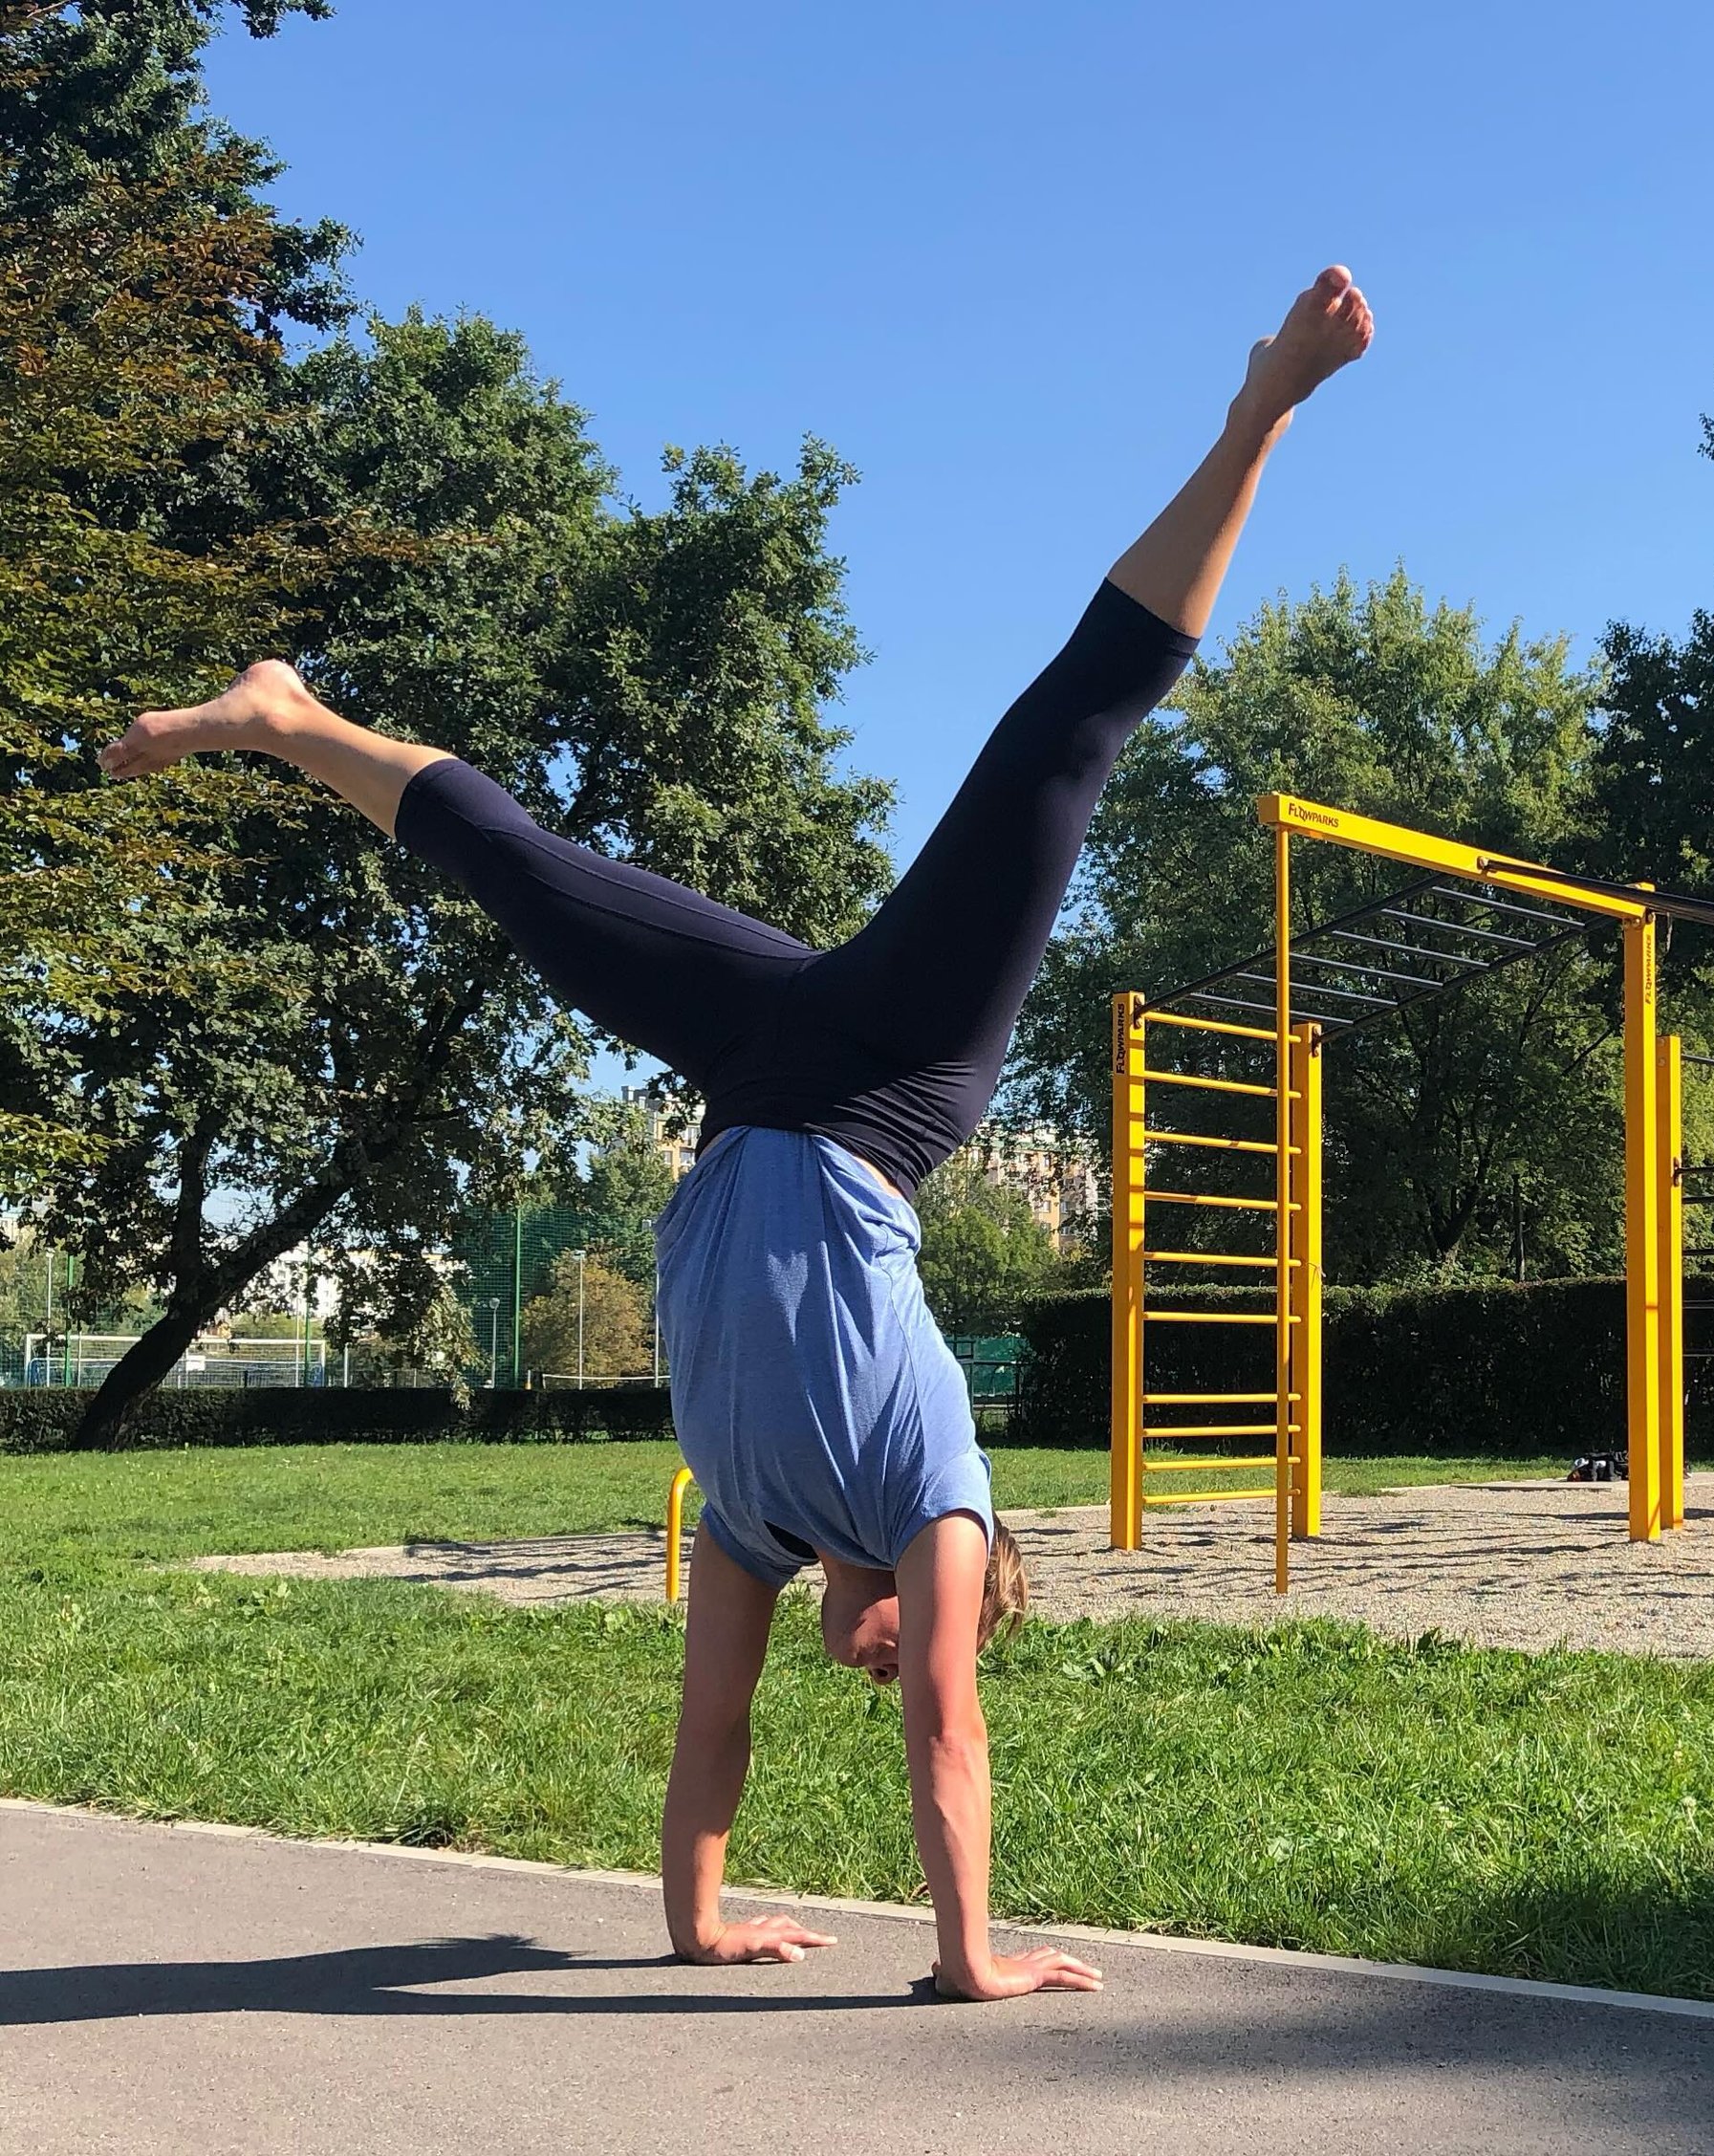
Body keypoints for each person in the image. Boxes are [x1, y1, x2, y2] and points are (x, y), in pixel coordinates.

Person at [102, 265, 1375, 1999]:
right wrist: (969, 1956)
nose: (883, 1652)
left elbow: (711, 1729)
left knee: (532, 885)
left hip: (762, 1067)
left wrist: (696, 1923)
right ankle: (1263, 411)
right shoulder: (941, 1496)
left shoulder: (753, 1526)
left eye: (871, 1649)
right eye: (916, 1632)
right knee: (1059, 749)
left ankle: (291, 715)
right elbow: (948, 1729)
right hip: (895, 1084)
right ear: (965, 1580)